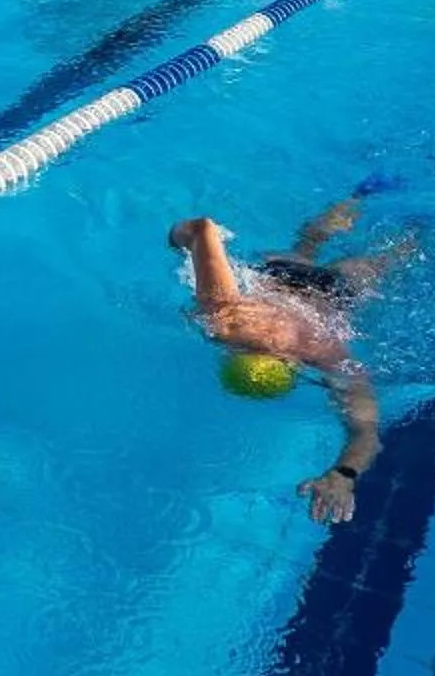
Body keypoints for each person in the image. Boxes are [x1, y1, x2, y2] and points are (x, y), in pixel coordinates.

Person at [167, 194, 415, 526]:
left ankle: (412, 234)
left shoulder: (323, 353)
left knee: (384, 260)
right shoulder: (225, 321)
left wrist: (343, 474)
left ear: (293, 369)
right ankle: (363, 196)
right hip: (278, 275)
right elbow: (202, 227)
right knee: (308, 245)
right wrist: (176, 241)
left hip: (334, 295)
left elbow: (366, 430)